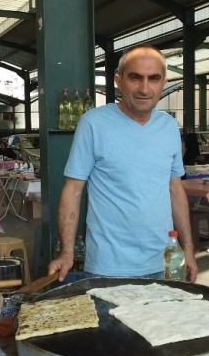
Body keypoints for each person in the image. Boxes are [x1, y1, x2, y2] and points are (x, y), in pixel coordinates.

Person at [47, 45, 198, 282]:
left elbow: (175, 190)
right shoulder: (94, 123)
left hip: (164, 262)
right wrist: (67, 253)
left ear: (164, 83)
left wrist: (187, 250)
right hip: (108, 266)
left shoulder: (168, 126)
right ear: (119, 81)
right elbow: (73, 191)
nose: (145, 88)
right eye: (135, 77)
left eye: (154, 79)